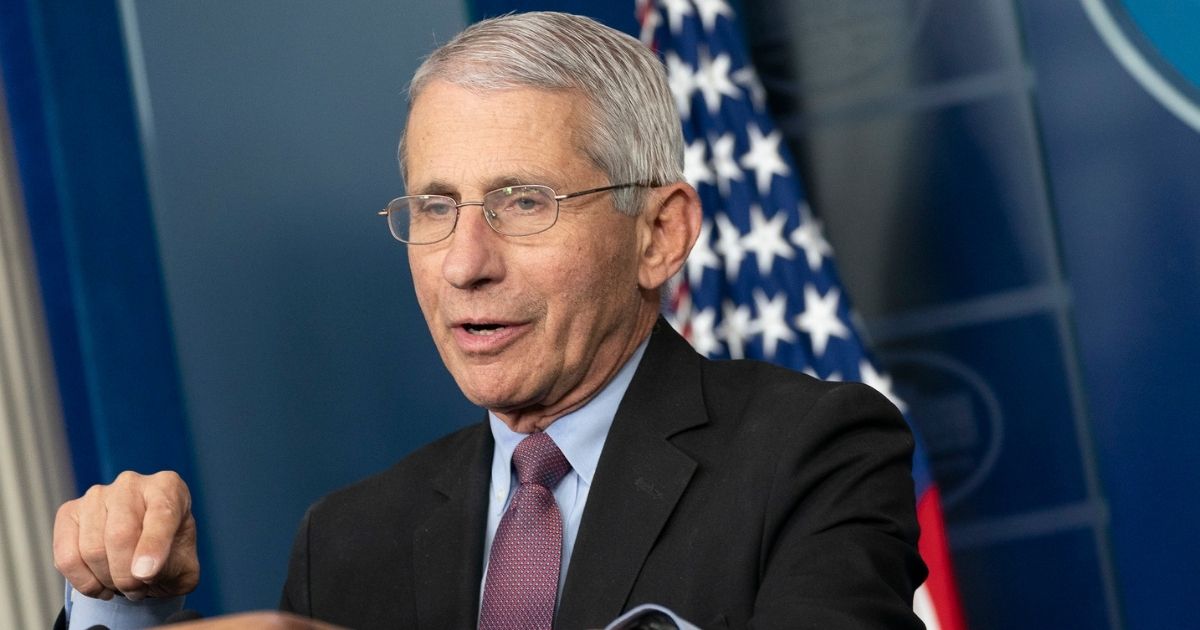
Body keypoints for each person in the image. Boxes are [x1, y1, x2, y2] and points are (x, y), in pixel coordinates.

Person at [52, 11, 926, 629]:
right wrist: (125, 610)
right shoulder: (348, 542)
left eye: (523, 201)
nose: (466, 262)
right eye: (434, 208)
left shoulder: (814, 455)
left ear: (660, 234)